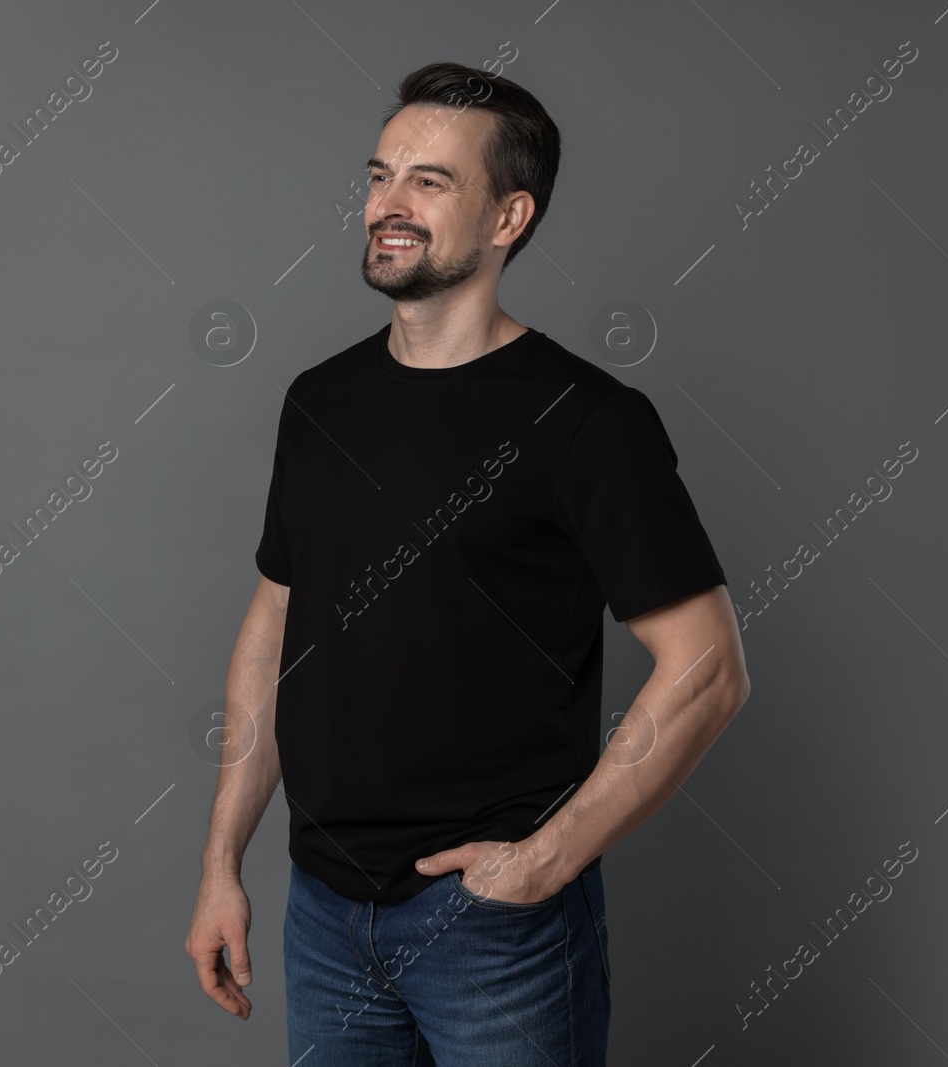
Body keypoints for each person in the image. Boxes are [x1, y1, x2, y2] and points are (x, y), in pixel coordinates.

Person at [185, 60, 751, 1066]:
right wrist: (219, 861)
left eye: (429, 181)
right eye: (379, 175)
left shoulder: (586, 423)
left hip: (493, 927)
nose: (386, 206)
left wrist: (545, 861)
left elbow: (708, 666)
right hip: (322, 915)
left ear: (507, 217)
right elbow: (274, 628)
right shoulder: (320, 401)